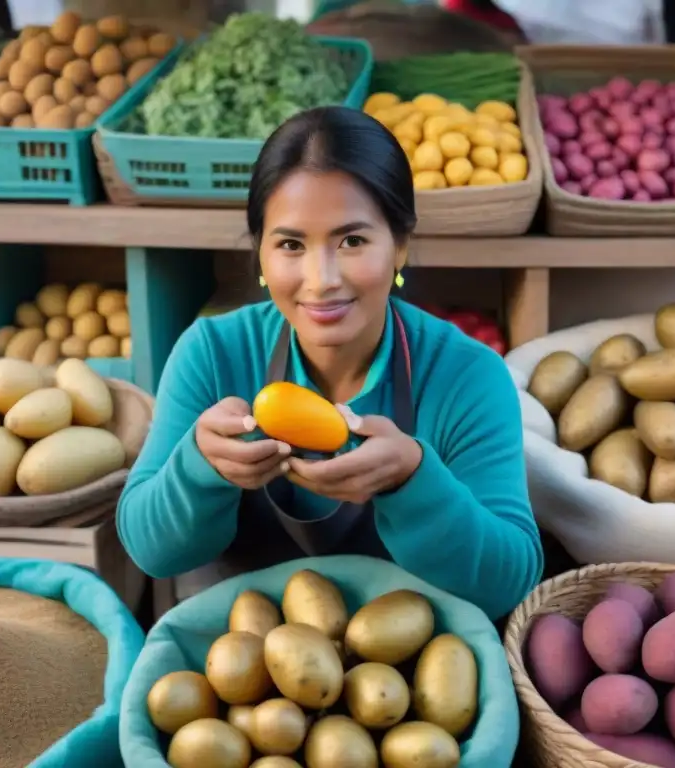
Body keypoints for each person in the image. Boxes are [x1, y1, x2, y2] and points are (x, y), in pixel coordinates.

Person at [117, 106, 542, 620]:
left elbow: (511, 580)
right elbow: (149, 550)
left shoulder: (467, 376)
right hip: (240, 666)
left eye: (352, 241)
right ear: (261, 254)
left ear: (400, 247)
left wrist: (413, 479)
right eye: (291, 245)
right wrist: (200, 468)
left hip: (411, 674)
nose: (321, 280)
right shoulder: (213, 353)